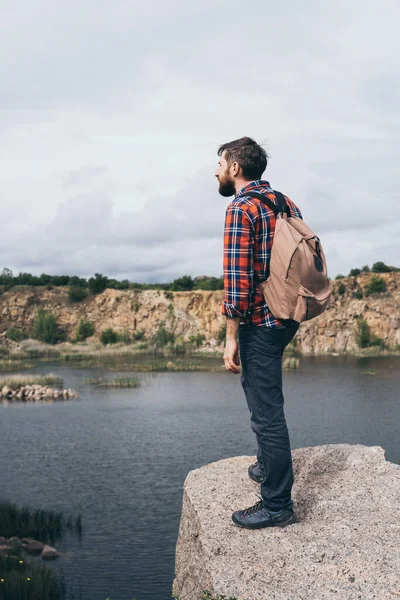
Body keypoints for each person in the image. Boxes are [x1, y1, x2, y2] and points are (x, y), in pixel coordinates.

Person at [215, 136, 302, 529]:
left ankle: (278, 504)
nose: (215, 171)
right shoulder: (286, 202)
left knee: (267, 414)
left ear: (235, 167)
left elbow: (237, 283)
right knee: (262, 397)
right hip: (287, 316)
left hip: (261, 322)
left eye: (219, 163)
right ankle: (267, 466)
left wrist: (231, 337)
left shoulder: (241, 208)